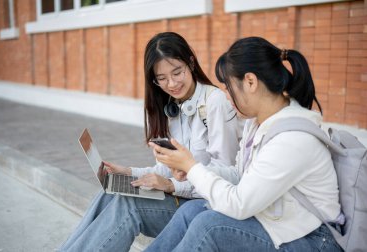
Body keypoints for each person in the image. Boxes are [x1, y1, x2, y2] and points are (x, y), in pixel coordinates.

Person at [146, 37, 343, 251]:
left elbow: (238, 204)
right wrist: (191, 169)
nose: (227, 96)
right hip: (281, 224)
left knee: (210, 227)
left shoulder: (292, 138)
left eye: (229, 87)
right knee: (191, 211)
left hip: (313, 239)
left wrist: (192, 167)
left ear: (250, 82)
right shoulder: (255, 123)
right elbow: (238, 175)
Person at [59, 32, 241, 251]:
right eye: (162, 79)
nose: (172, 84)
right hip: (180, 195)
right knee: (110, 192)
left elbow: (226, 175)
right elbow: (165, 169)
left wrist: (172, 185)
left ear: (190, 63)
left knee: (128, 204)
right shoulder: (172, 107)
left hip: (202, 206)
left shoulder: (215, 103)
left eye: (177, 72)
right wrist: (128, 172)